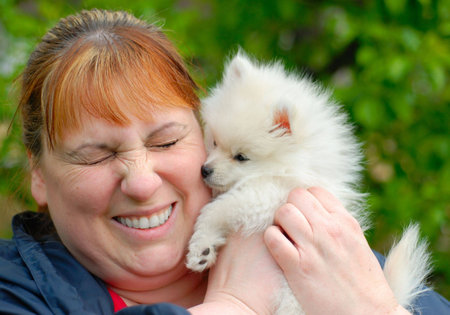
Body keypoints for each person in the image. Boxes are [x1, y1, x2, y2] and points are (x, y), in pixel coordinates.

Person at [0, 8, 448, 315]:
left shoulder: (339, 262)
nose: (140, 182)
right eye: (97, 154)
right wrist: (236, 304)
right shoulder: (12, 292)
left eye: (166, 142)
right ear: (39, 175)